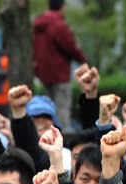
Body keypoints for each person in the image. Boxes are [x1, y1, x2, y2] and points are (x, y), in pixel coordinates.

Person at [32, 0, 86, 130]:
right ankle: (62, 137)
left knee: (48, 108)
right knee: (62, 108)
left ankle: (47, 133)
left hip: (44, 73)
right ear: (62, 7)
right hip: (59, 73)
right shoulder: (58, 25)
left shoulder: (38, 25)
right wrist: (82, 59)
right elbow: (70, 46)